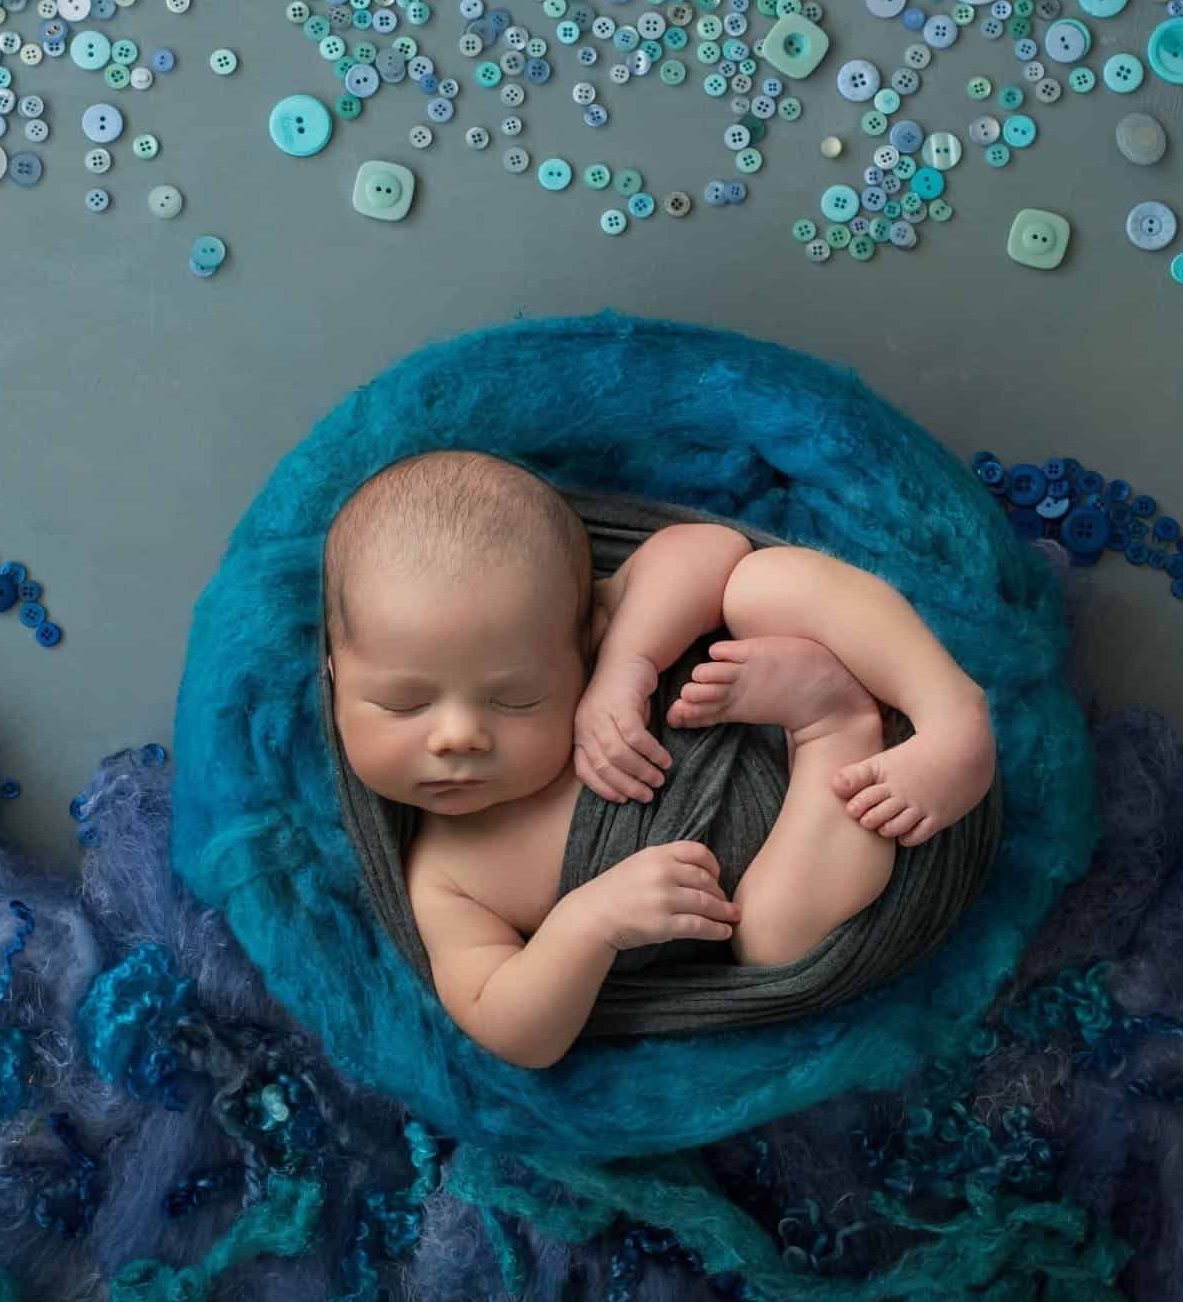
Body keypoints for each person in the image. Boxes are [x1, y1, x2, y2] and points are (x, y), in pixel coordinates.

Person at [324, 449, 996, 1069]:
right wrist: (590, 923)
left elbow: (709, 547)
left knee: (757, 581)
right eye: (404, 705)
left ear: (580, 639)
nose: (458, 736)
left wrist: (627, 663)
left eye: (515, 699)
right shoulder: (446, 875)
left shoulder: (593, 644)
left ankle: (947, 711)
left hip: (735, 700)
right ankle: (835, 722)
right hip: (802, 829)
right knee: (775, 941)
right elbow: (509, 1024)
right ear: (335, 679)